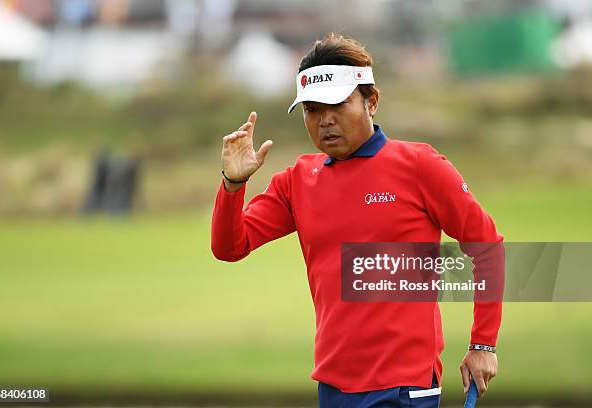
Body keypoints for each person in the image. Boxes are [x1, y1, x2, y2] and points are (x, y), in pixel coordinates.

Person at [211, 33, 502, 408]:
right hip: (333, 385)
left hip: (403, 387)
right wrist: (233, 184)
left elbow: (487, 245)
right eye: (312, 109)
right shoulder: (299, 180)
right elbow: (230, 248)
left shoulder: (420, 166)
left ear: (372, 101)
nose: (325, 120)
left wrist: (483, 344)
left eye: (338, 104)